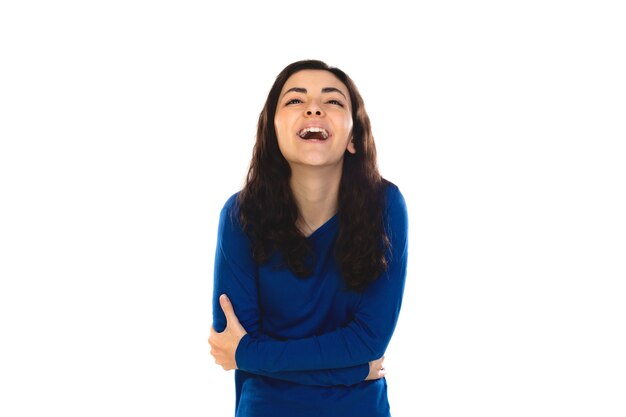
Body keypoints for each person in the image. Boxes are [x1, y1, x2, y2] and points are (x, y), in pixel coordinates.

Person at [208, 59, 408, 417]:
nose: (314, 107)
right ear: (273, 131)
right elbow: (230, 344)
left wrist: (253, 354)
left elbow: (368, 339)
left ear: (353, 138)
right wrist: (354, 368)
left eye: (332, 101)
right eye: (295, 100)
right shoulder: (240, 215)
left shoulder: (386, 206)